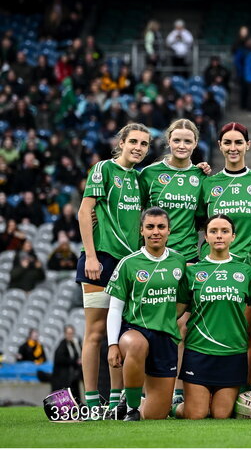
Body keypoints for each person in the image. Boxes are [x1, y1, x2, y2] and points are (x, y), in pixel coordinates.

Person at [77, 123, 151, 416]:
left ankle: (116, 400)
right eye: (133, 141)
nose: (138, 147)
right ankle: (92, 400)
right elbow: (85, 211)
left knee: (120, 333)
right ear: (121, 142)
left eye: (144, 144)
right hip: (102, 258)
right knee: (95, 332)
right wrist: (91, 256)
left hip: (129, 262)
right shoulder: (103, 169)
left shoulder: (140, 179)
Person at [175, 215, 251, 419]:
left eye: (224, 231)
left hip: (233, 355)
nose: (219, 236)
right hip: (198, 353)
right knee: (196, 414)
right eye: (213, 231)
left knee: (221, 415)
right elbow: (176, 312)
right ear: (205, 237)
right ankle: (172, 407)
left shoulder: (246, 272)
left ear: (233, 236)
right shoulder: (192, 273)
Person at [199, 122, 251, 388]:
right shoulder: (208, 183)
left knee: (248, 335)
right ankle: (207, 387)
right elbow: (196, 222)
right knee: (213, 331)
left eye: (238, 142)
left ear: (248, 145)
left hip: (249, 271)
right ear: (220, 146)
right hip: (213, 269)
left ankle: (247, 389)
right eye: (227, 142)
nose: (233, 147)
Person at [106, 207, 188, 420]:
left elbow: (182, 301)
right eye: (150, 227)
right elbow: (115, 308)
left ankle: (131, 398)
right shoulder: (129, 263)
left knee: (155, 415)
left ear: (169, 231)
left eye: (161, 227)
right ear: (141, 230)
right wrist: (112, 344)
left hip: (166, 337)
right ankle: (132, 408)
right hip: (135, 330)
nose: (156, 232)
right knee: (136, 344)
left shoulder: (179, 262)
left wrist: (167, 317)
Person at [139, 119, 207, 264]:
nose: (182, 146)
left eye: (187, 141)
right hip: (154, 255)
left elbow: (201, 219)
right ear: (169, 141)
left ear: (195, 144)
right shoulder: (149, 173)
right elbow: (135, 211)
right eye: (176, 140)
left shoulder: (201, 176)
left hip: (188, 257)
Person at [52, 325, 83, 400]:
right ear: (65, 334)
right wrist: (75, 361)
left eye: (71, 333)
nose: (70, 335)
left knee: (76, 396)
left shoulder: (76, 344)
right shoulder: (62, 345)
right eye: (68, 333)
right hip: (63, 377)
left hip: (74, 377)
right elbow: (60, 359)